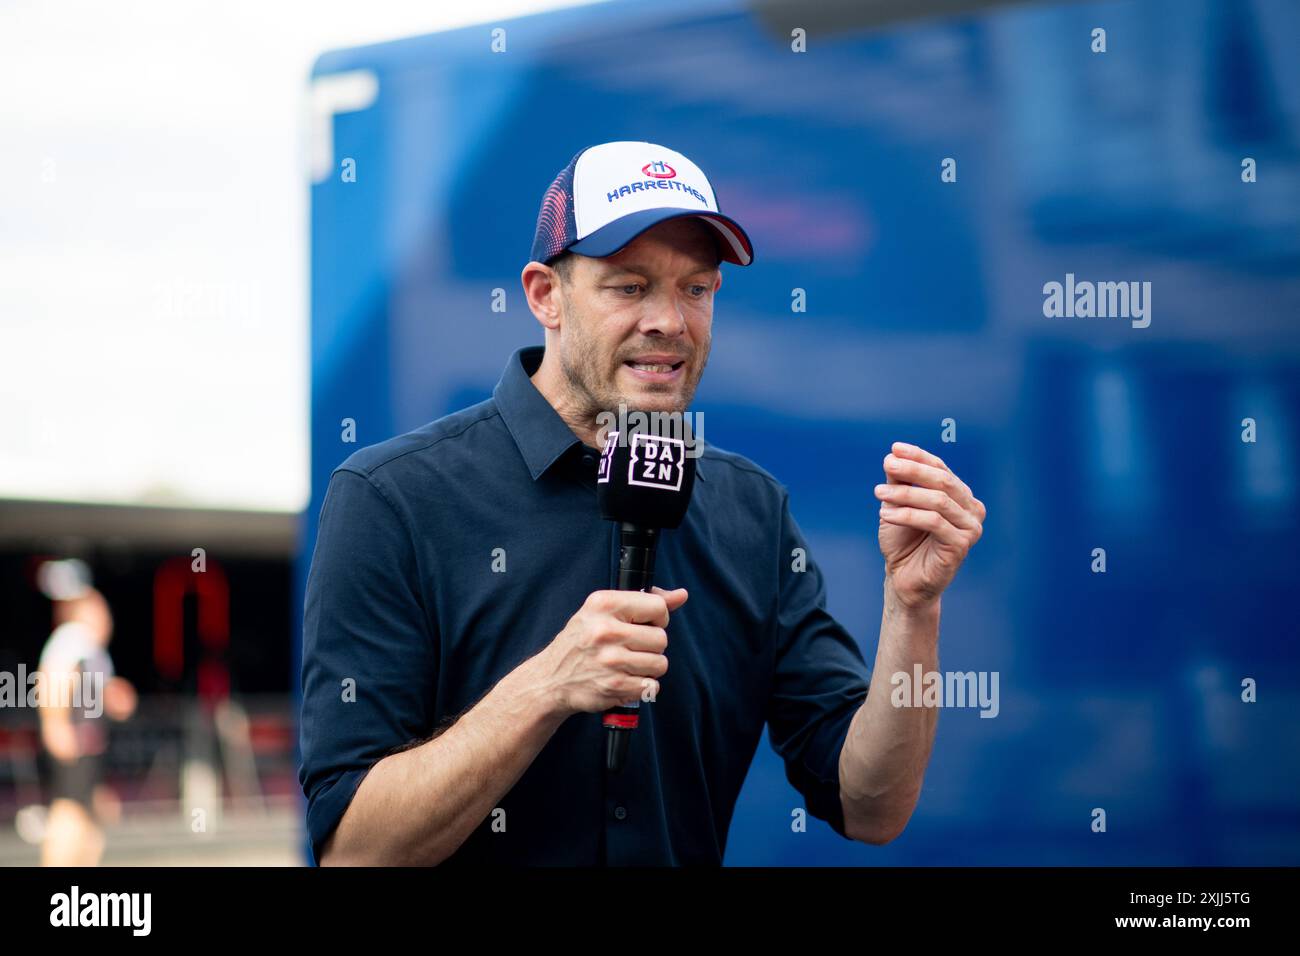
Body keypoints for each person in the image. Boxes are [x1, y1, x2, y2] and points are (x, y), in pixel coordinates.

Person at [298, 140, 986, 865]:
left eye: (697, 288)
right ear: (544, 295)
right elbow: (354, 850)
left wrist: (914, 608)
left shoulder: (751, 509)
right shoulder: (393, 499)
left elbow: (871, 807)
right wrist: (546, 686)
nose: (670, 321)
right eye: (630, 287)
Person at [36, 581, 137, 866]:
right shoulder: (72, 638)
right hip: (73, 744)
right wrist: (55, 725)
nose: (108, 619)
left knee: (92, 818)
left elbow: (99, 692)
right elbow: (53, 680)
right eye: (101, 611)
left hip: (89, 746)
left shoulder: (93, 650)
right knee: (68, 814)